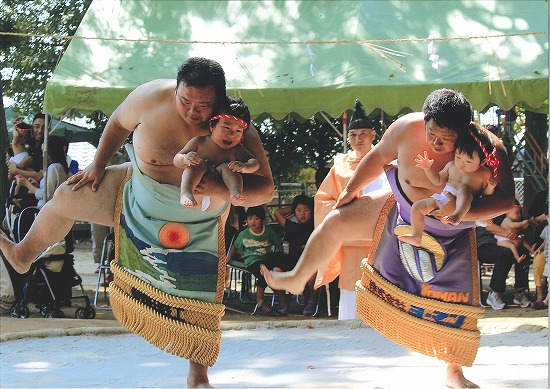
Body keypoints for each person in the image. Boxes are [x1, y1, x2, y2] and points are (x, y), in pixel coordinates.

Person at [0, 57, 273, 388]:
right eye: (184, 100)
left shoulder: (234, 129)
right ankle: (22, 254)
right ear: (175, 89)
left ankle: (198, 375)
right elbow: (117, 122)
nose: (192, 112)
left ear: (218, 103)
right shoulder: (150, 98)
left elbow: (265, 190)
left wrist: (220, 187)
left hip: (197, 221)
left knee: (202, 296)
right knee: (67, 195)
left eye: (202, 106)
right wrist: (98, 163)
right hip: (137, 191)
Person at [262, 88, 515, 388]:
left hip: (453, 226)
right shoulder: (406, 128)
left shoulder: (487, 148)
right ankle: (296, 277)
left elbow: (506, 200)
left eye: (445, 138)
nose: (436, 142)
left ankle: (454, 372)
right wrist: (350, 189)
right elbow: (378, 156)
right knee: (336, 221)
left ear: (464, 132)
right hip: (400, 207)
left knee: (460, 302)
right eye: (431, 132)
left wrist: (467, 211)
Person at [314, 99, 389, 320]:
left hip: (380, 235)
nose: (358, 139)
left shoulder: (385, 162)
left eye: (363, 134)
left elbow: (395, 195)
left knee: (381, 287)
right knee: (350, 290)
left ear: (373, 135)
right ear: (348, 138)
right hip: (352, 238)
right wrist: (343, 212)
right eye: (353, 135)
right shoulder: (340, 166)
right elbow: (323, 199)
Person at [398, 123, 497, 246]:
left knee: (464, 190)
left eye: (468, 161)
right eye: (458, 156)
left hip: (463, 204)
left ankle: (457, 215)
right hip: (442, 197)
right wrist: (428, 168)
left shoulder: (484, 174)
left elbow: (485, 194)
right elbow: (438, 180)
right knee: (417, 207)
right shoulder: (451, 166)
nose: (461, 163)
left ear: (482, 162)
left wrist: (490, 187)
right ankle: (416, 235)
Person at [174, 96, 259, 208]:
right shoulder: (200, 141)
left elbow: (255, 163)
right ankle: (185, 192)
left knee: (229, 168)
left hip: (218, 199)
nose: (231, 134)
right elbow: (176, 159)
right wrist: (185, 159)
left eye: (238, 131)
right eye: (226, 127)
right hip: (196, 190)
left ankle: (235, 193)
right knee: (198, 163)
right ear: (212, 126)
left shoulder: (237, 149)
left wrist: (245, 166)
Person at [225, 206, 284, 315]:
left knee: (273, 275)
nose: (253, 221)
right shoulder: (244, 234)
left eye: (256, 218)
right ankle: (261, 301)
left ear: (262, 220)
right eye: (250, 219)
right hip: (251, 261)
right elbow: (235, 246)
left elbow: (278, 244)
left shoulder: (268, 231)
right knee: (264, 275)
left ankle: (281, 300)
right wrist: (228, 257)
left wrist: (280, 255)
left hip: (266, 260)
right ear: (246, 221)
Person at [273, 194, 317, 316]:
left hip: (309, 262)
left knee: (313, 274)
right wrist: (293, 208)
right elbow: (277, 212)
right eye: (299, 210)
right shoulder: (291, 226)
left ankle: (312, 301)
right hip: (293, 261)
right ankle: (283, 302)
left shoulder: (316, 225)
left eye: (306, 210)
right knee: (276, 272)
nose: (302, 214)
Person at [476, 219, 531, 310]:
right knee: (505, 254)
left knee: (523, 252)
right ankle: (495, 292)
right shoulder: (486, 206)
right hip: (485, 243)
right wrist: (512, 235)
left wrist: (515, 231)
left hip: (506, 241)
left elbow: (519, 226)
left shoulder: (510, 208)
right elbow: (490, 227)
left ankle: (520, 292)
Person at [15, 136, 69, 208]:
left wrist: (27, 184)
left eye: (44, 151)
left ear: (52, 150)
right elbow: (50, 191)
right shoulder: (57, 167)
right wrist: (37, 185)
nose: (43, 155)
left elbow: (46, 196)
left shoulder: (54, 167)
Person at [532, 216, 548, 310]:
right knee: (538, 261)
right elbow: (546, 240)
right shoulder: (546, 227)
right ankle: (540, 297)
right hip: (547, 251)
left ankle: (546, 301)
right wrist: (539, 248)